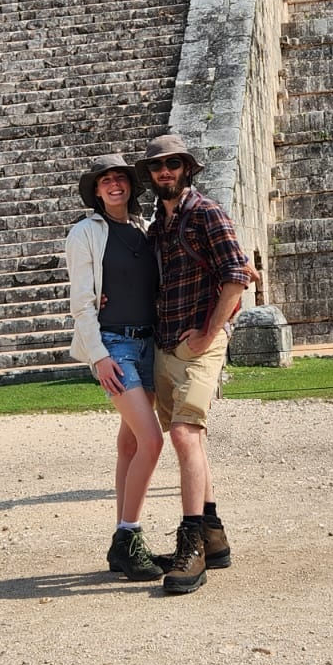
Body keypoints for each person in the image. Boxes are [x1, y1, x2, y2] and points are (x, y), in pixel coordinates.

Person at [135, 133, 250, 595]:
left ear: (187, 169)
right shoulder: (157, 227)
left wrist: (208, 334)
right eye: (159, 167)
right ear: (151, 175)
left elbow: (236, 275)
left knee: (184, 434)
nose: (166, 172)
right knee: (190, 441)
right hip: (166, 341)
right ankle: (215, 536)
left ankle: (192, 543)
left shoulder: (206, 213)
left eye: (174, 164)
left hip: (199, 343)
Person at [65, 153, 168, 582]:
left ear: (129, 185)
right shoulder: (85, 233)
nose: (114, 185)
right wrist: (98, 355)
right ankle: (129, 534)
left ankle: (122, 544)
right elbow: (82, 302)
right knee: (152, 440)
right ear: (97, 190)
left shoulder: (145, 230)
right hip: (115, 346)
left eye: (120, 178)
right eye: (105, 180)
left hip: (149, 344)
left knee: (129, 444)